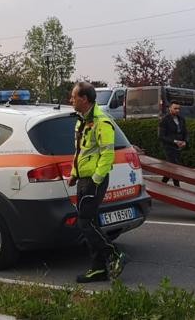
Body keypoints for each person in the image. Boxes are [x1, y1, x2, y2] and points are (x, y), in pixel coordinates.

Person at [68, 81, 125, 283]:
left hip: (94, 180)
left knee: (85, 222)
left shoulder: (102, 121)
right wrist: (74, 173)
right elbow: (81, 151)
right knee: (89, 222)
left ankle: (114, 254)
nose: (71, 100)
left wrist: (95, 179)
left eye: (74, 97)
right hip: (83, 179)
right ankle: (98, 269)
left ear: (84, 99)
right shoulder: (82, 120)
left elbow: (107, 154)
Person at [158, 101, 188, 187]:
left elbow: (185, 132)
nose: (177, 110)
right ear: (170, 108)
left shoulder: (181, 119)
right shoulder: (164, 120)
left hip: (179, 147)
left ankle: (162, 184)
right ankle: (177, 187)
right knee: (174, 166)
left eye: (178, 108)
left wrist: (185, 141)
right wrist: (175, 141)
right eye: (175, 108)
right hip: (169, 147)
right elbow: (161, 136)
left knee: (171, 168)